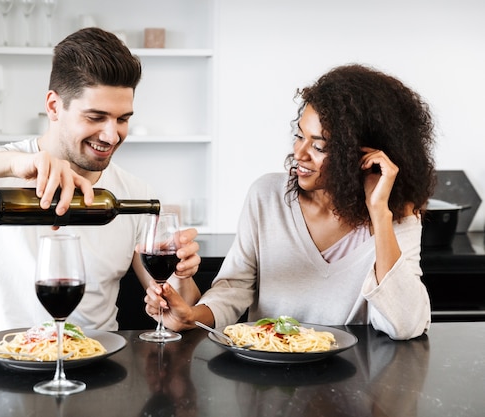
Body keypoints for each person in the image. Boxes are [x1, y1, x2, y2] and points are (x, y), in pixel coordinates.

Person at [0, 27, 201, 335]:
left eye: (123, 119)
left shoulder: (135, 195)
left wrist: (182, 277)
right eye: (95, 117)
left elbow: (174, 302)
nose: (112, 135)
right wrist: (14, 164)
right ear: (54, 106)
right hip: (0, 376)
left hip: (99, 372)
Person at [145, 64, 436, 340]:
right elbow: (234, 288)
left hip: (355, 381)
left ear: (364, 155)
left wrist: (379, 214)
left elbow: (406, 324)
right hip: (269, 377)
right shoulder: (267, 196)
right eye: (299, 136)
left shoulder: (396, 215)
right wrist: (191, 315)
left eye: (319, 146)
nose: (300, 153)